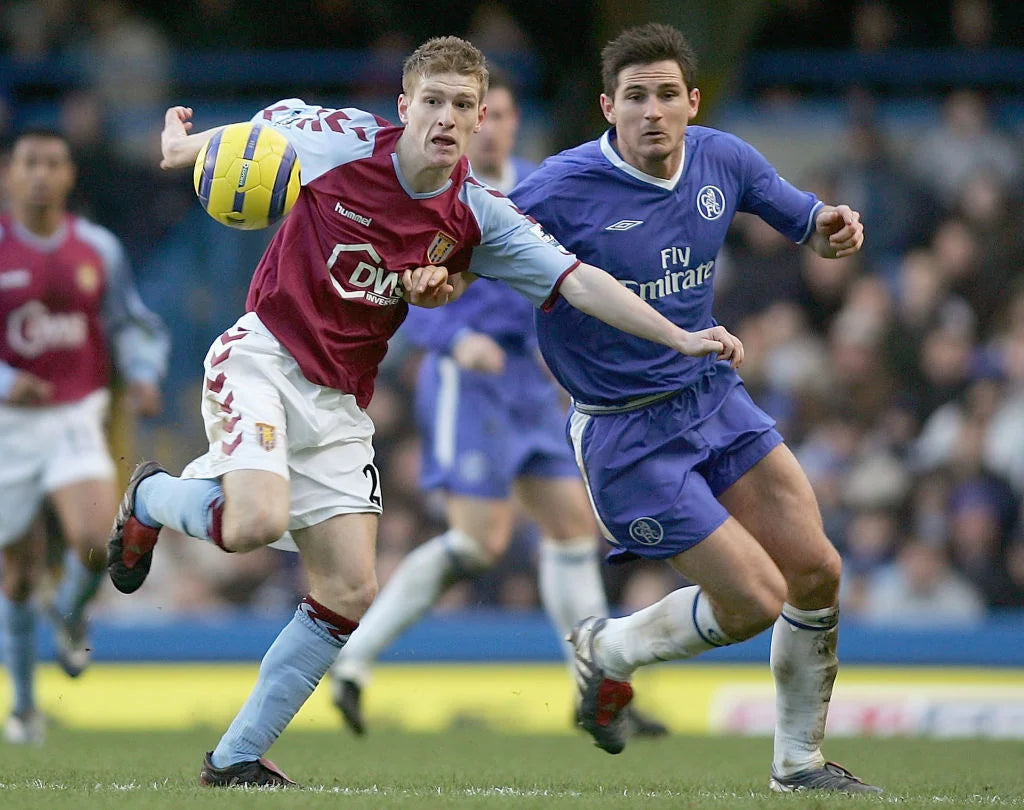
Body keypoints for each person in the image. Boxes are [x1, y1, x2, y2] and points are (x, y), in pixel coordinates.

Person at [107, 36, 742, 788]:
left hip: (340, 402)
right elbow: (256, 140)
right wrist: (187, 147)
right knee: (252, 522)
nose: (447, 117)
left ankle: (236, 757)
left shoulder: (478, 216)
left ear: (479, 118)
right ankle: (149, 496)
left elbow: (579, 283)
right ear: (404, 107)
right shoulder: (340, 140)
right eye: (433, 102)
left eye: (463, 105)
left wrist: (679, 334)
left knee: (349, 590)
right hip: (263, 356)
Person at [509, 23, 880, 794]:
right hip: (624, 432)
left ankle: (799, 765)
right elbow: (467, 242)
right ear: (608, 107)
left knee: (817, 571)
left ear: (692, 102)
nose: (653, 111)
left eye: (667, 95)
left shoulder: (723, 159)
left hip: (712, 396)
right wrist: (432, 284)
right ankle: (605, 650)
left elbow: (801, 216)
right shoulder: (556, 188)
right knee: (752, 601)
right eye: (636, 96)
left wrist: (829, 229)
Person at [328, 69, 667, 739]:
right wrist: (455, 339)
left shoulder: (542, 187)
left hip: (530, 385)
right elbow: (402, 287)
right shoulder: (436, 191)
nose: (495, 125)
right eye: (488, 115)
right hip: (468, 382)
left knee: (573, 527)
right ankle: (354, 661)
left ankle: (594, 683)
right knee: (478, 543)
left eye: (504, 113)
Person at [0, 128, 167, 744]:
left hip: (75, 414)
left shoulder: (98, 249)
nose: (40, 174)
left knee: (97, 541)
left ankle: (69, 616)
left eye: (52, 163)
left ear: (69, 175)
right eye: (29, 163)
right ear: (10, 175)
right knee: (17, 575)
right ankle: (23, 708)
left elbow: (131, 323)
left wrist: (144, 372)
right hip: (7, 425)